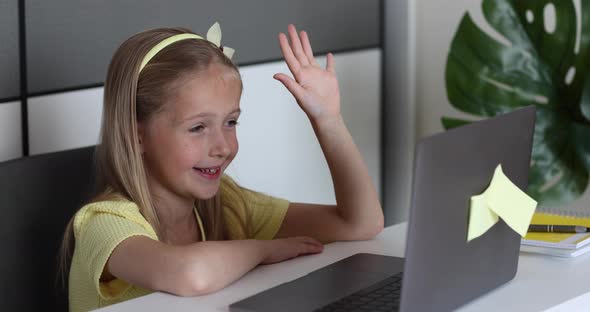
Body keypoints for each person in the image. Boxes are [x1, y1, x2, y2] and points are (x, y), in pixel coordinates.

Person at [59, 22, 383, 312]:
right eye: (198, 128)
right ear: (137, 135)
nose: (224, 147)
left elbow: (360, 224)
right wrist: (263, 250)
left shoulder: (224, 203)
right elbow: (191, 275)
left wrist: (329, 121)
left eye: (231, 122)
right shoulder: (105, 223)